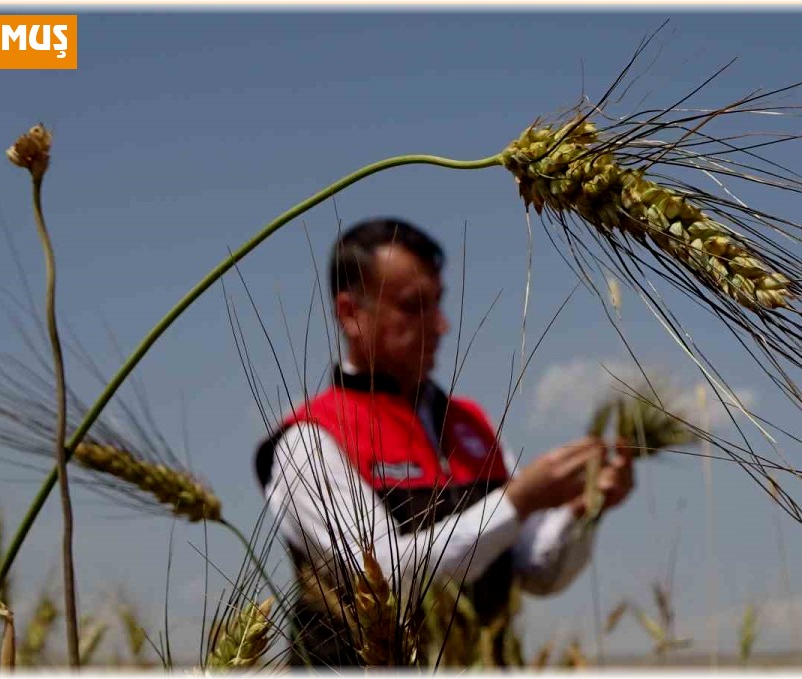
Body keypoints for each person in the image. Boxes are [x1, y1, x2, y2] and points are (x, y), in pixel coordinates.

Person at [254, 217, 635, 666]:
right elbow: (387, 579)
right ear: (349, 314)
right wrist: (517, 501)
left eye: (438, 303)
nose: (440, 325)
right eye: (413, 306)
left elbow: (538, 571)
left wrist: (583, 509)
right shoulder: (309, 439)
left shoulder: (471, 424)